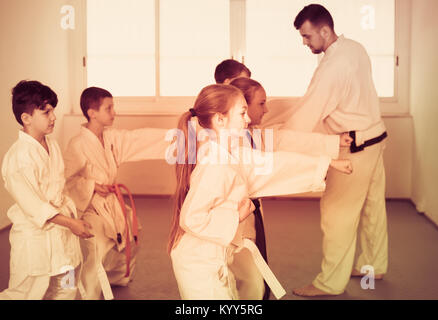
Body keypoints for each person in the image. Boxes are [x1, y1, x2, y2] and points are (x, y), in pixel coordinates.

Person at [168, 84, 353, 300]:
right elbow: (190, 218)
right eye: (242, 113)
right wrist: (236, 216)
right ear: (220, 119)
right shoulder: (214, 164)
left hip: (213, 258)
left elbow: (275, 163)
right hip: (198, 264)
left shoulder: (232, 155)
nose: (248, 119)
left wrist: (325, 163)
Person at [282, 4, 389, 296]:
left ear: (325, 30)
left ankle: (330, 283)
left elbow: (308, 114)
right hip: (377, 138)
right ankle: (373, 265)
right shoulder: (354, 47)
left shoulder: (332, 67)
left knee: (337, 214)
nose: (304, 43)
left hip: (354, 148)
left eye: (307, 36)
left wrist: (276, 140)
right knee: (371, 207)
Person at [229, 77, 353, 300]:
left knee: (252, 281)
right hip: (229, 220)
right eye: (262, 103)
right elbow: (271, 164)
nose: (266, 110)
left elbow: (287, 141)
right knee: (246, 282)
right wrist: (325, 163)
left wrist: (333, 145)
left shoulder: (253, 134)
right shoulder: (229, 143)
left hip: (246, 215)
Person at [63, 87, 168, 299]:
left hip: (111, 200)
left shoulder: (111, 138)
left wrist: (180, 136)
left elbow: (140, 139)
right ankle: (88, 291)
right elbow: (67, 180)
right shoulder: (78, 144)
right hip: (91, 205)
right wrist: (91, 185)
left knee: (131, 231)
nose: (114, 112)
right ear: (92, 113)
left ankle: (117, 277)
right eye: (108, 108)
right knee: (98, 245)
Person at [0, 80, 93, 300]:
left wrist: (74, 219)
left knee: (67, 287)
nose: (53, 117)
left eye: (53, 110)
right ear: (26, 118)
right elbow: (35, 207)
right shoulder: (19, 157)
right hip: (35, 241)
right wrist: (72, 223)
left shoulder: (53, 145)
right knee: (24, 294)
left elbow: (60, 188)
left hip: (64, 239)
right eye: (46, 112)